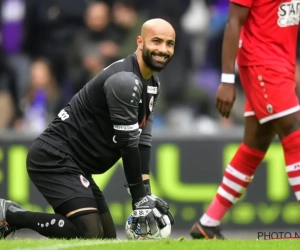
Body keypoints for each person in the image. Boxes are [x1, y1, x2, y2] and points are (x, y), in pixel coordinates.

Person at [0, 18, 176, 239]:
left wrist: (146, 193)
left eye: (169, 44)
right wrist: (140, 199)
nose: (163, 49)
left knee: (107, 240)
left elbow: (142, 141)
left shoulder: (152, 84)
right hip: (54, 156)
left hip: (77, 165)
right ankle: (11, 214)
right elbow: (128, 144)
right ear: (140, 42)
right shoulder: (125, 81)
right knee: (89, 233)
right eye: (157, 41)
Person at [190, 0, 300, 239]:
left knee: (254, 146)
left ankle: (207, 224)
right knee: (295, 131)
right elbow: (233, 22)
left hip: (283, 65)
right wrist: (227, 80)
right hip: (262, 64)